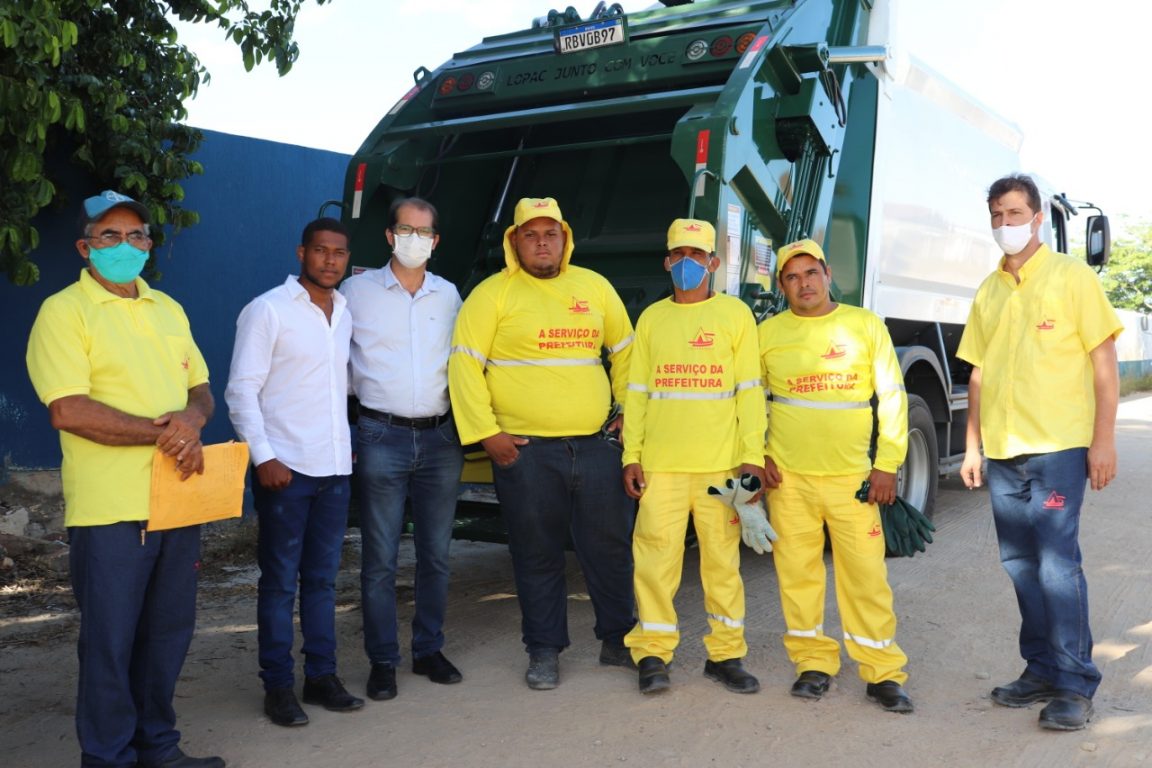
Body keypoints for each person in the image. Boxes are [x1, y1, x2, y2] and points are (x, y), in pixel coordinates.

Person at [26, 190, 224, 767]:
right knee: (110, 642)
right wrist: (166, 434)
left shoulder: (168, 308)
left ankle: (158, 747)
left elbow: (201, 388)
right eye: (109, 235)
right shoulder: (64, 311)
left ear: (149, 245)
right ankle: (108, 757)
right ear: (84, 247)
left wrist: (192, 420)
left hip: (177, 499)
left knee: (167, 634)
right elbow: (69, 410)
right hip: (110, 508)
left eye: (135, 235)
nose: (124, 245)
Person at [448, 197, 636, 690]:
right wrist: (488, 434)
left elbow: (626, 354)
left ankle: (619, 640)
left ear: (564, 238)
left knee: (610, 549)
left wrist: (626, 413)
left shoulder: (594, 286)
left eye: (550, 233)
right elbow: (464, 364)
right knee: (537, 553)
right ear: (514, 242)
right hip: (527, 453)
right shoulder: (492, 294)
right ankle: (544, 650)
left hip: (595, 447)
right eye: (530, 235)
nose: (541, 243)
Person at [957, 173, 1121, 732]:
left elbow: (1103, 361)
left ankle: (1075, 682)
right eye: (997, 215)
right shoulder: (989, 290)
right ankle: (1042, 668)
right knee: (1020, 564)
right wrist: (972, 446)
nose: (1005, 224)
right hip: (1004, 452)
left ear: (1036, 218)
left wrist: (1103, 440)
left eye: (1014, 213)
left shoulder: (1072, 277)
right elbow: (979, 374)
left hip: (1057, 448)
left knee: (1056, 564)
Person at [758, 238, 914, 714]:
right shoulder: (768, 333)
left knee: (866, 577)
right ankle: (812, 663)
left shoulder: (864, 325)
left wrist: (887, 464)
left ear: (828, 275)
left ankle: (882, 672)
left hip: (854, 480)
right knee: (797, 576)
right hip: (789, 480)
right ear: (782, 285)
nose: (803, 283)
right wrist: (757, 454)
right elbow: (750, 399)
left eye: (811, 273)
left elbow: (892, 396)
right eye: (792, 277)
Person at [225, 217, 363, 727]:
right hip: (284, 471)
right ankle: (278, 686)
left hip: (333, 470)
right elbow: (241, 389)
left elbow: (338, 388)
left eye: (339, 253)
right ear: (302, 252)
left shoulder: (343, 312)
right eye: (321, 250)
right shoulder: (268, 310)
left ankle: (321, 677)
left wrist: (343, 447)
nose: (330, 260)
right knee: (281, 583)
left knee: (323, 582)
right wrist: (264, 457)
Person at [621, 219, 768, 695]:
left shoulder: (735, 315)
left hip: (720, 468)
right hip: (660, 467)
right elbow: (637, 394)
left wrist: (752, 459)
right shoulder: (652, 319)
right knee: (654, 563)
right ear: (667, 262)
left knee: (722, 566)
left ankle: (726, 656)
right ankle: (652, 654)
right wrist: (631, 456)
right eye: (679, 255)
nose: (688, 263)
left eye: (697, 255)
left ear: (714, 263)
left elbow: (750, 392)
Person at [340, 198, 465, 701]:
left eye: (424, 232)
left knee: (436, 554)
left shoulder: (449, 295)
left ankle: (429, 649)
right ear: (390, 236)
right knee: (380, 558)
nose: (415, 239)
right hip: (380, 436)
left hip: (440, 437)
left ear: (436, 241)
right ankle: (382, 660)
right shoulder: (356, 292)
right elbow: (335, 362)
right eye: (406, 230)